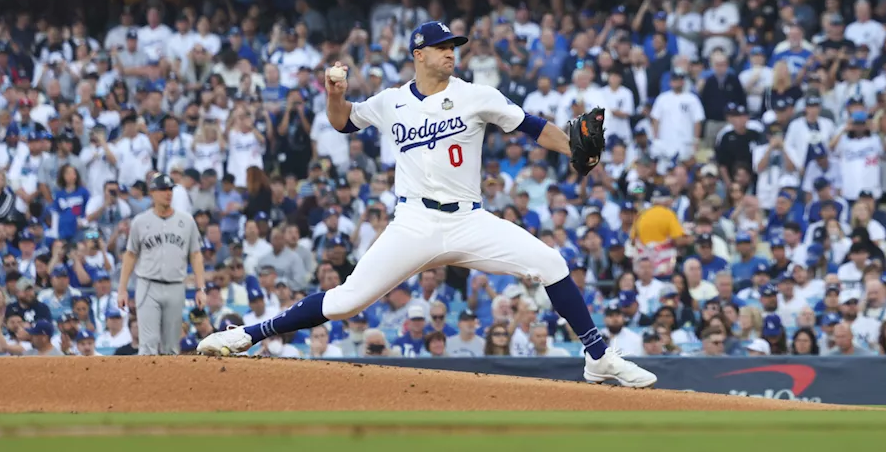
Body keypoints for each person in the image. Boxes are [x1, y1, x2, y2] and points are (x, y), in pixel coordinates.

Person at [198, 22, 656, 388]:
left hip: (469, 220)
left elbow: (534, 127)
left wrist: (575, 150)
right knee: (345, 302)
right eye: (441, 47)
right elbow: (342, 123)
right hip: (414, 221)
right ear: (419, 54)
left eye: (453, 47)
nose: (450, 53)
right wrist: (334, 95)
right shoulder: (392, 101)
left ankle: (598, 358)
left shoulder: (476, 94)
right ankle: (245, 336)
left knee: (552, 263)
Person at [117, 173, 205, 356]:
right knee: (148, 345)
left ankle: (168, 385)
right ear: (152, 193)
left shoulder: (187, 221)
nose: (168, 193)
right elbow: (130, 255)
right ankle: (145, 384)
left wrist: (200, 288)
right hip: (148, 285)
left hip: (176, 285)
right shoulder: (140, 221)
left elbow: (196, 255)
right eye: (163, 189)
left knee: (171, 347)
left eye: (170, 189)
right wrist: (122, 289)